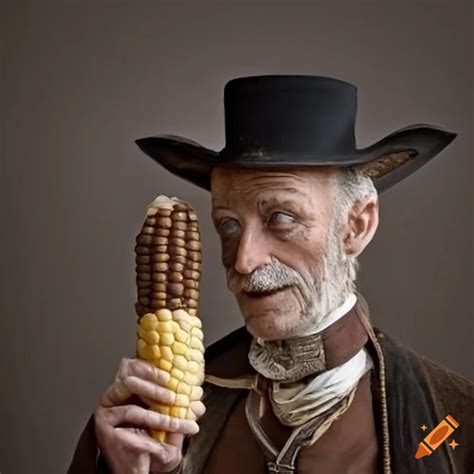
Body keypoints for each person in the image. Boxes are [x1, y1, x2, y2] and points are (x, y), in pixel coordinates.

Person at [68, 76, 473, 474]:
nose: (243, 260)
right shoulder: (157, 418)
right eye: (228, 225)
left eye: (280, 217)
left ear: (357, 226)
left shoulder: (455, 420)